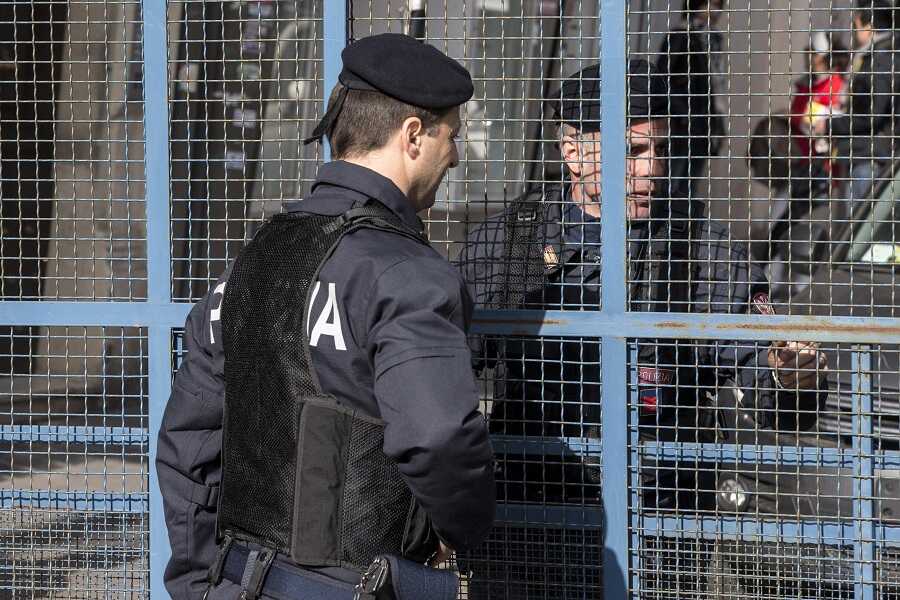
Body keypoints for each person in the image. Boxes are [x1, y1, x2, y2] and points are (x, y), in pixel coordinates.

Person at [457, 59, 829, 598]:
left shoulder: (701, 247)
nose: (651, 171)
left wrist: (795, 376)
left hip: (656, 534)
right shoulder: (510, 243)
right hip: (531, 527)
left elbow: (771, 389)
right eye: (632, 152)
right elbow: (442, 368)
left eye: (659, 149)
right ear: (574, 152)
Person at [157, 33, 496, 600]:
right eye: (450, 136)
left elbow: (188, 442)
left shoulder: (253, 262)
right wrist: (466, 529)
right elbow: (438, 438)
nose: (454, 156)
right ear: (413, 135)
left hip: (237, 584)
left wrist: (198, 582)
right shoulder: (406, 274)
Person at [830, 0, 900, 204]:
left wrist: (829, 123)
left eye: (857, 23)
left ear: (869, 27)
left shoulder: (881, 58)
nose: (854, 27)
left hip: (869, 159)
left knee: (858, 228)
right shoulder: (880, 54)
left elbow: (870, 114)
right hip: (866, 156)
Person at [656, 0, 727, 200]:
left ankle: (682, 230)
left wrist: (717, 122)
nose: (714, 10)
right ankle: (662, 229)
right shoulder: (680, 35)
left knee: (690, 185)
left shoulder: (714, 38)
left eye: (718, 5)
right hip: (680, 124)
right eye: (709, 3)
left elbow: (717, 85)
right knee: (670, 182)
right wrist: (682, 113)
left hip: (703, 123)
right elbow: (662, 78)